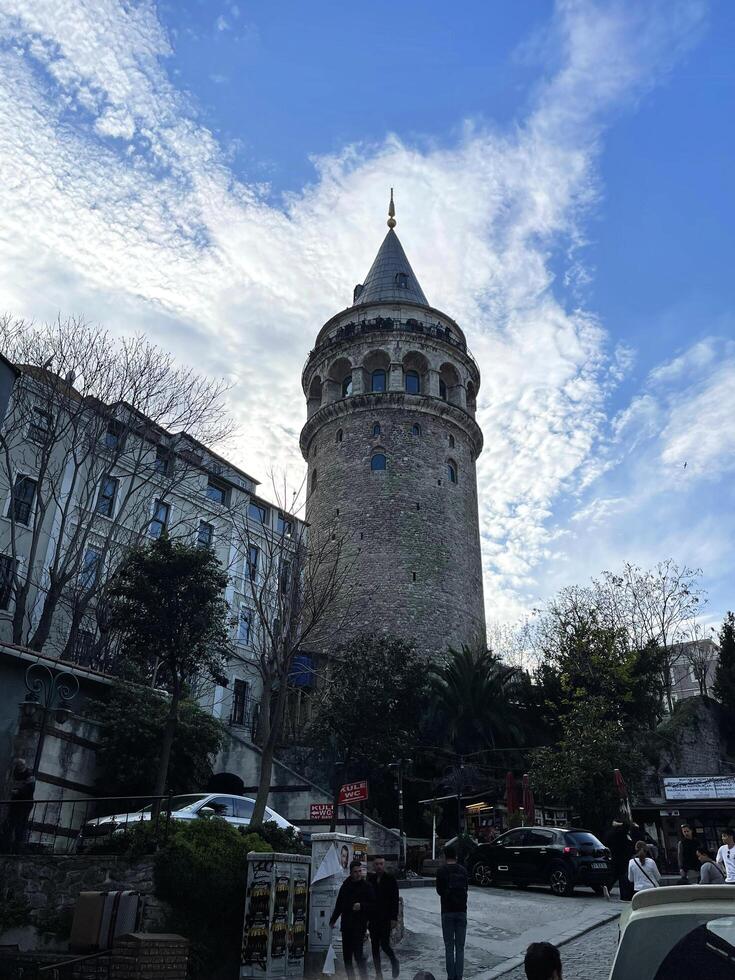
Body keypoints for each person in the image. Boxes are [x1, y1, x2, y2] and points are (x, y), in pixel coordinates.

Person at [329, 859, 374, 979]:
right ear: (351, 873)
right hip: (347, 926)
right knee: (347, 957)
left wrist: (362, 906)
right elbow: (339, 905)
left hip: (359, 926)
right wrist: (333, 920)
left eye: (360, 871)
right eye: (356, 872)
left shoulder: (367, 886)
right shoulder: (345, 886)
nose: (358, 874)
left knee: (359, 956)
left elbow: (374, 905)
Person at [435, 844, 468, 980]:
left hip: (447, 911)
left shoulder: (441, 871)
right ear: (456, 856)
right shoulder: (463, 870)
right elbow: (466, 889)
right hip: (461, 911)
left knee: (449, 947)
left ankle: (451, 976)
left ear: (444, 856)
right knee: (460, 948)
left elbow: (439, 891)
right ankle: (458, 977)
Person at [368, 856, 400, 979]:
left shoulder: (390, 879)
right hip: (373, 919)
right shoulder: (371, 879)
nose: (379, 866)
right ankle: (378, 974)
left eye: (381, 864)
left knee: (385, 945)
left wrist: (394, 918)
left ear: (384, 864)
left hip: (386, 918)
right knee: (374, 946)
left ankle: (394, 961)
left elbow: (394, 899)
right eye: (377, 864)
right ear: (373, 865)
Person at [6, 758, 35, 853]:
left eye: (20, 766)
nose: (19, 767)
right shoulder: (16, 772)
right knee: (10, 824)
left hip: (25, 804)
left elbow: (30, 790)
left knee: (20, 827)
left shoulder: (29, 775)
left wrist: (18, 792)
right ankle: (8, 847)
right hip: (16, 803)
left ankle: (16, 849)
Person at [606, 820, 635, 900]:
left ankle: (606, 889)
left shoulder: (610, 833)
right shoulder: (622, 833)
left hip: (615, 857)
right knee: (623, 877)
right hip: (623, 857)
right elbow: (627, 826)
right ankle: (624, 895)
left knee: (615, 875)